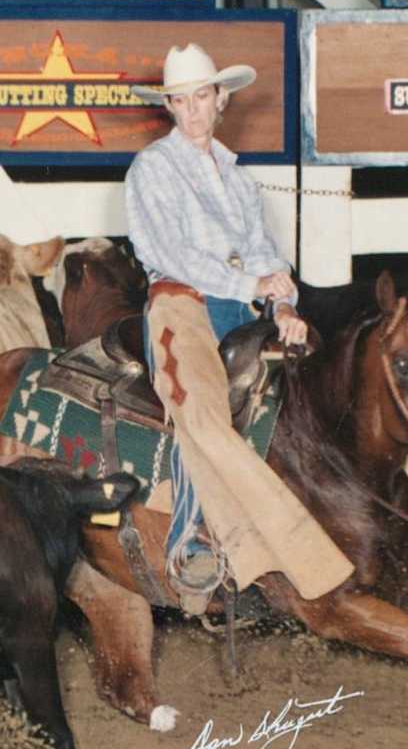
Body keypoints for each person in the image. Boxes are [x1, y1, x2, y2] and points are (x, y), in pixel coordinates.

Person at [126, 43, 354, 615]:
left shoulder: (237, 178)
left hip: (242, 312)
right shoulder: (153, 168)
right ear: (169, 107)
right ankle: (195, 542)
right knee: (200, 413)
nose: (192, 111)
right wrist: (251, 284)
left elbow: (265, 255)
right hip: (180, 307)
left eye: (201, 97)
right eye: (180, 101)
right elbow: (172, 255)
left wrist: (284, 308)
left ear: (220, 99)